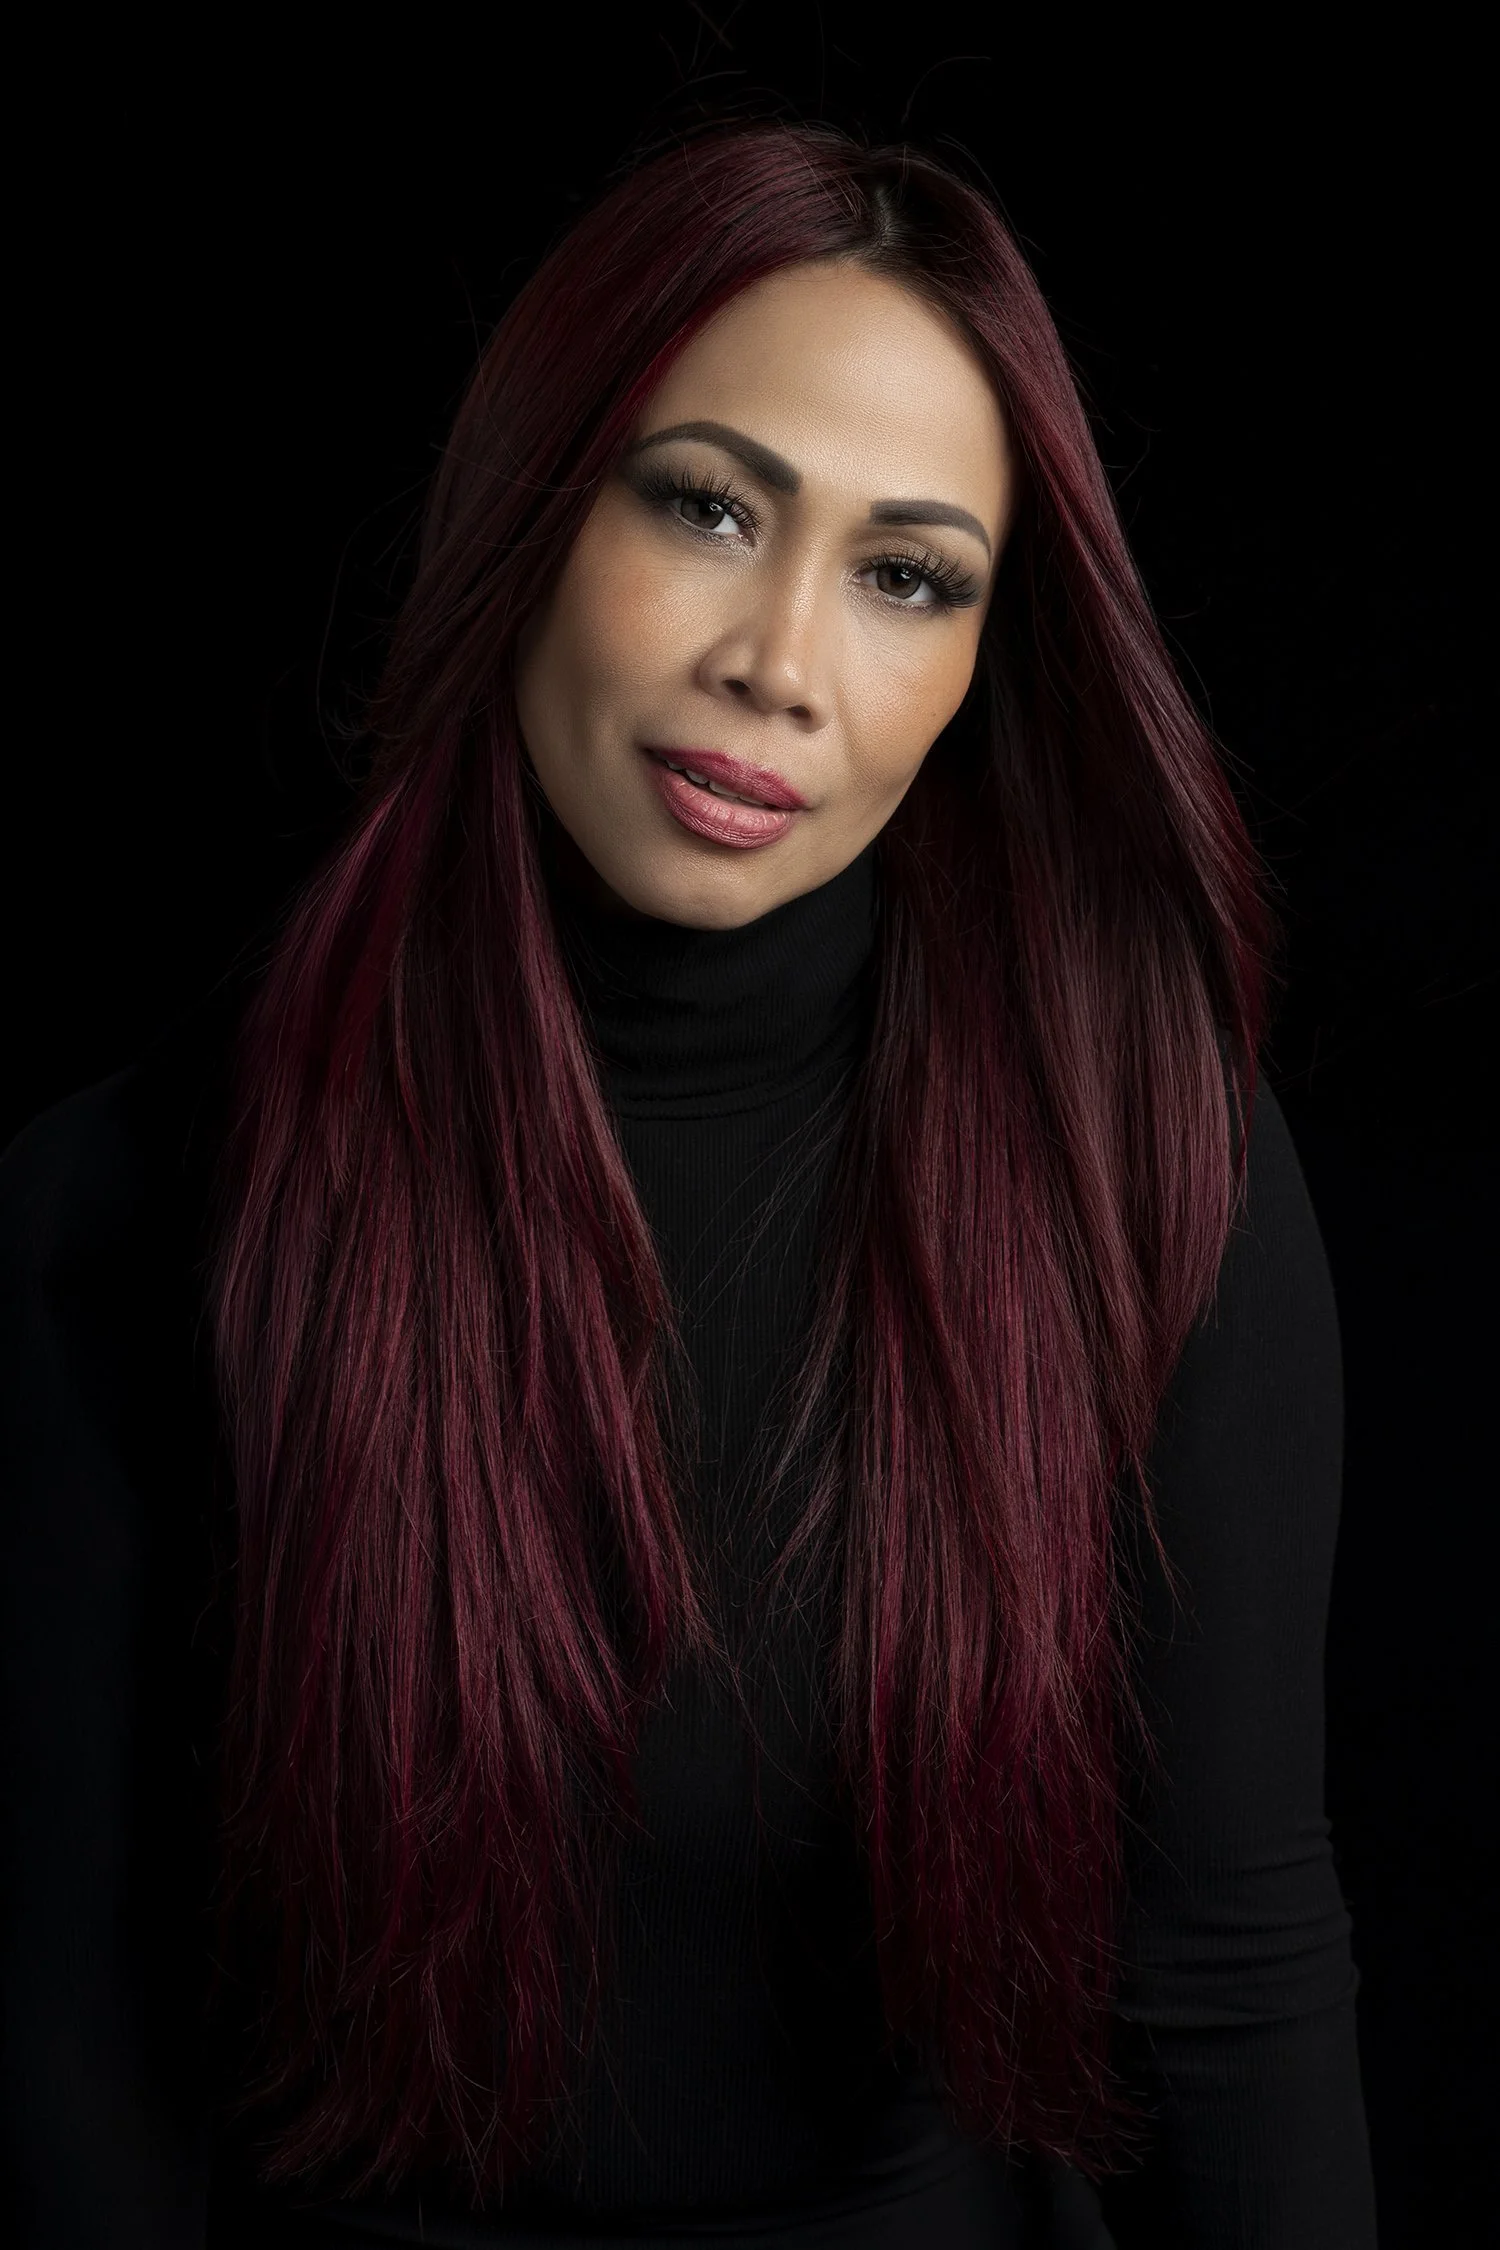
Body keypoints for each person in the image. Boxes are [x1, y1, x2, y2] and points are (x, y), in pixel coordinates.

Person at [0, 124, 1377, 2248]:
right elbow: (79, 2063)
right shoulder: (142, 1198)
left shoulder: (1147, 1165)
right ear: (539, 500)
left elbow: (1235, 1979)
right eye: (712, 506)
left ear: (986, 662)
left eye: (907, 574)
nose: (780, 661)